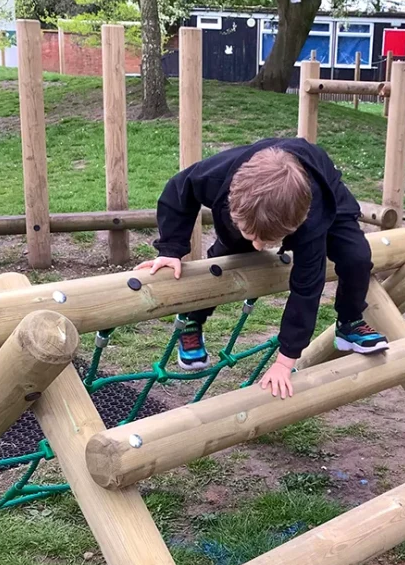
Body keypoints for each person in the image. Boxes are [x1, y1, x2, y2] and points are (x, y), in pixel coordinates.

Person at [136, 138, 388, 399]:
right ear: (232, 204)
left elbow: (306, 290)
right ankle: (192, 320)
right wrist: (170, 250)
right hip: (256, 196)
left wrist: (284, 362)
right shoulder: (214, 177)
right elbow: (178, 191)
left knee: (356, 257)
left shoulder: (311, 224)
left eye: (267, 241)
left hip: (329, 197)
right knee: (225, 258)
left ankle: (349, 321)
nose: (258, 247)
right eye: (252, 235)